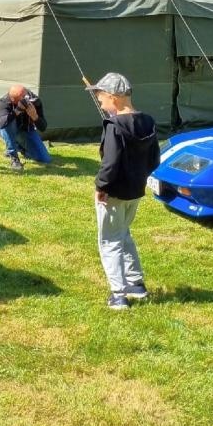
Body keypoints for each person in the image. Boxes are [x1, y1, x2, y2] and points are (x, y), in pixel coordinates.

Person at [87, 72, 160, 310]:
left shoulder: (114, 125)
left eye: (101, 99)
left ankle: (118, 294)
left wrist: (101, 186)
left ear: (114, 98)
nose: (100, 103)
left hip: (114, 193)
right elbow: (154, 160)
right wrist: (139, 178)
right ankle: (136, 284)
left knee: (109, 240)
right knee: (123, 233)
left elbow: (110, 162)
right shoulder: (147, 121)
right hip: (135, 191)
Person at [0, 84, 50, 171]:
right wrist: (17, 111)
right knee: (7, 125)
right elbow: (2, 123)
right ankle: (14, 157)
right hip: (10, 130)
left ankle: (20, 147)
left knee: (45, 159)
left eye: (26, 95)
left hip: (26, 131)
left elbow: (43, 127)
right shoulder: (5, 101)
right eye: (22, 98)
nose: (26, 99)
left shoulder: (35, 101)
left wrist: (35, 117)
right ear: (13, 100)